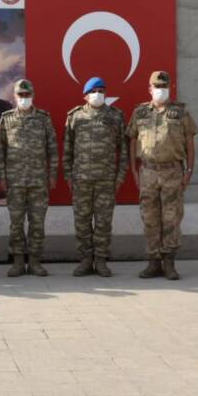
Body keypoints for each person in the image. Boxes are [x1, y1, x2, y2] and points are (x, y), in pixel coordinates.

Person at [127, 71, 197, 281]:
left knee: (171, 219)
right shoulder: (140, 113)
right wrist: (133, 169)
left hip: (172, 171)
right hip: (148, 171)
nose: (160, 90)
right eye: (156, 87)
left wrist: (189, 171)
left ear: (169, 88)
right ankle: (153, 262)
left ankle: (169, 263)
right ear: (149, 89)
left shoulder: (180, 113)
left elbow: (190, 143)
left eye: (163, 86)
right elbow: (132, 141)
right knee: (150, 219)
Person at [63, 77, 128, 277]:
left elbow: (123, 151)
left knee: (103, 222)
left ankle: (100, 261)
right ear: (86, 95)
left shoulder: (115, 116)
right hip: (81, 179)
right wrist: (68, 176)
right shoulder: (75, 117)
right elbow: (68, 149)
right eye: (94, 91)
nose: (98, 94)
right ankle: (85, 260)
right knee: (82, 221)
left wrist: (119, 178)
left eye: (101, 90)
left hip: (106, 180)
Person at [0, 79, 58, 277]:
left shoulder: (43, 118)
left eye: (27, 95)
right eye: (20, 95)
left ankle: (35, 261)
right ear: (14, 96)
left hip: (38, 180)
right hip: (15, 181)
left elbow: (53, 149)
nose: (24, 98)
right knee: (16, 223)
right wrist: (3, 177)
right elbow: (0, 151)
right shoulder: (6, 119)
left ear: (32, 96)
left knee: (37, 223)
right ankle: (18, 262)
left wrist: (52, 174)